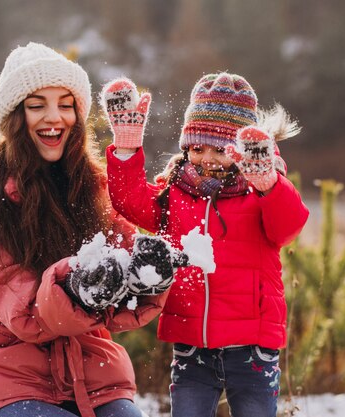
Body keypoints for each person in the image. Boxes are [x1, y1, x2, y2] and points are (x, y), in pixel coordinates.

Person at [0, 42, 168, 417]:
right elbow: (26, 315)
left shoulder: (93, 191)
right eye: (37, 105)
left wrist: (148, 274)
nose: (55, 117)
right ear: (15, 118)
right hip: (3, 374)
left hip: (92, 371)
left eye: (66, 104)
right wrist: (80, 282)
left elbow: (126, 274)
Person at [100, 73, 310, 417]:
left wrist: (269, 185)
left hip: (253, 344)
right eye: (197, 148)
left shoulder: (258, 192)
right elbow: (130, 201)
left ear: (241, 151)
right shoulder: (177, 193)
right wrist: (126, 146)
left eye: (220, 150)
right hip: (192, 343)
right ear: (186, 146)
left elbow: (289, 227)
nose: (207, 158)